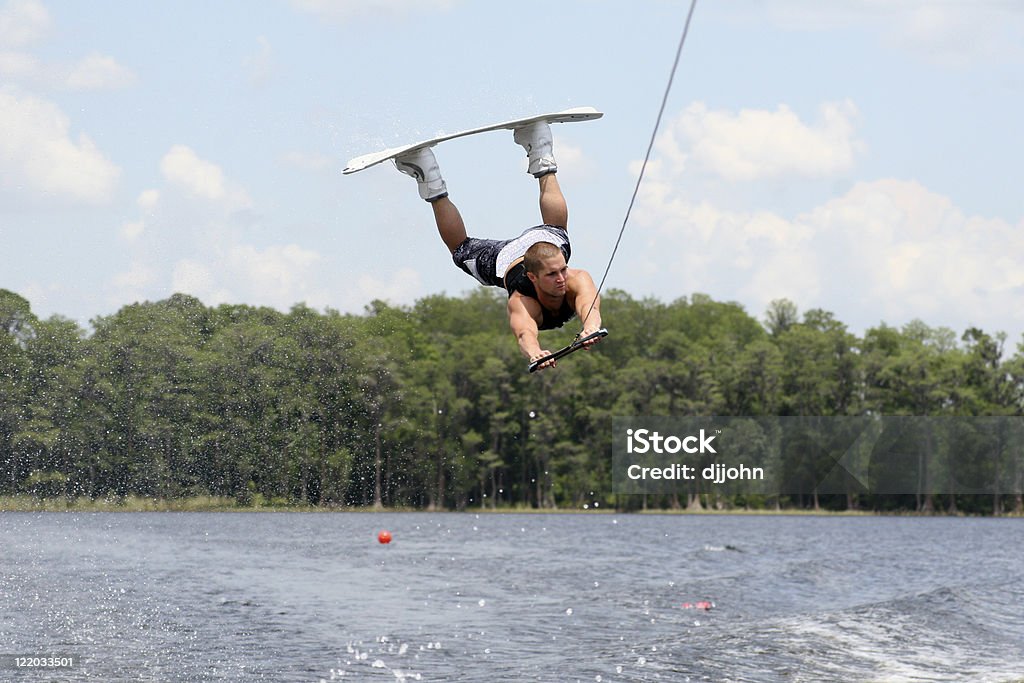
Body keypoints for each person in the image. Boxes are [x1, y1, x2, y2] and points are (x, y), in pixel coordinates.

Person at [393, 121, 603, 371]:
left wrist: (591, 327)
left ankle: (539, 145)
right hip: (504, 258)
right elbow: (525, 333)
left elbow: (589, 307)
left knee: (557, 232)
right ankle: (430, 175)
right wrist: (535, 353)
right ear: (532, 277)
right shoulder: (523, 300)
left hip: (544, 242)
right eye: (552, 274)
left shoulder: (576, 278)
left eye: (562, 270)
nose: (561, 278)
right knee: (460, 249)